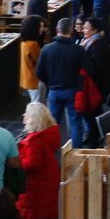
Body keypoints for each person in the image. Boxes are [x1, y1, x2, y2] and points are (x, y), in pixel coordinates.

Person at [16, 103, 61, 219]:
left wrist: (18, 159)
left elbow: (31, 165)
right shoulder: (49, 135)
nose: (24, 117)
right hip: (46, 185)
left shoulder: (34, 141)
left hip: (34, 187)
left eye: (26, 114)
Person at [35, 18, 91, 146]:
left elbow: (39, 72)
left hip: (54, 92)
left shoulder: (47, 49)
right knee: (75, 123)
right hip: (73, 91)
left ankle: (50, 152)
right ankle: (76, 155)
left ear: (56, 30)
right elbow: (89, 69)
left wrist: (49, 83)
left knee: (52, 125)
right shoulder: (78, 50)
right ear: (71, 31)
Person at [17, 15, 46, 103]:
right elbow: (41, 62)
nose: (42, 28)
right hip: (35, 80)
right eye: (40, 26)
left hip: (27, 78)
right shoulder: (33, 44)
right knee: (37, 105)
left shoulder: (24, 42)